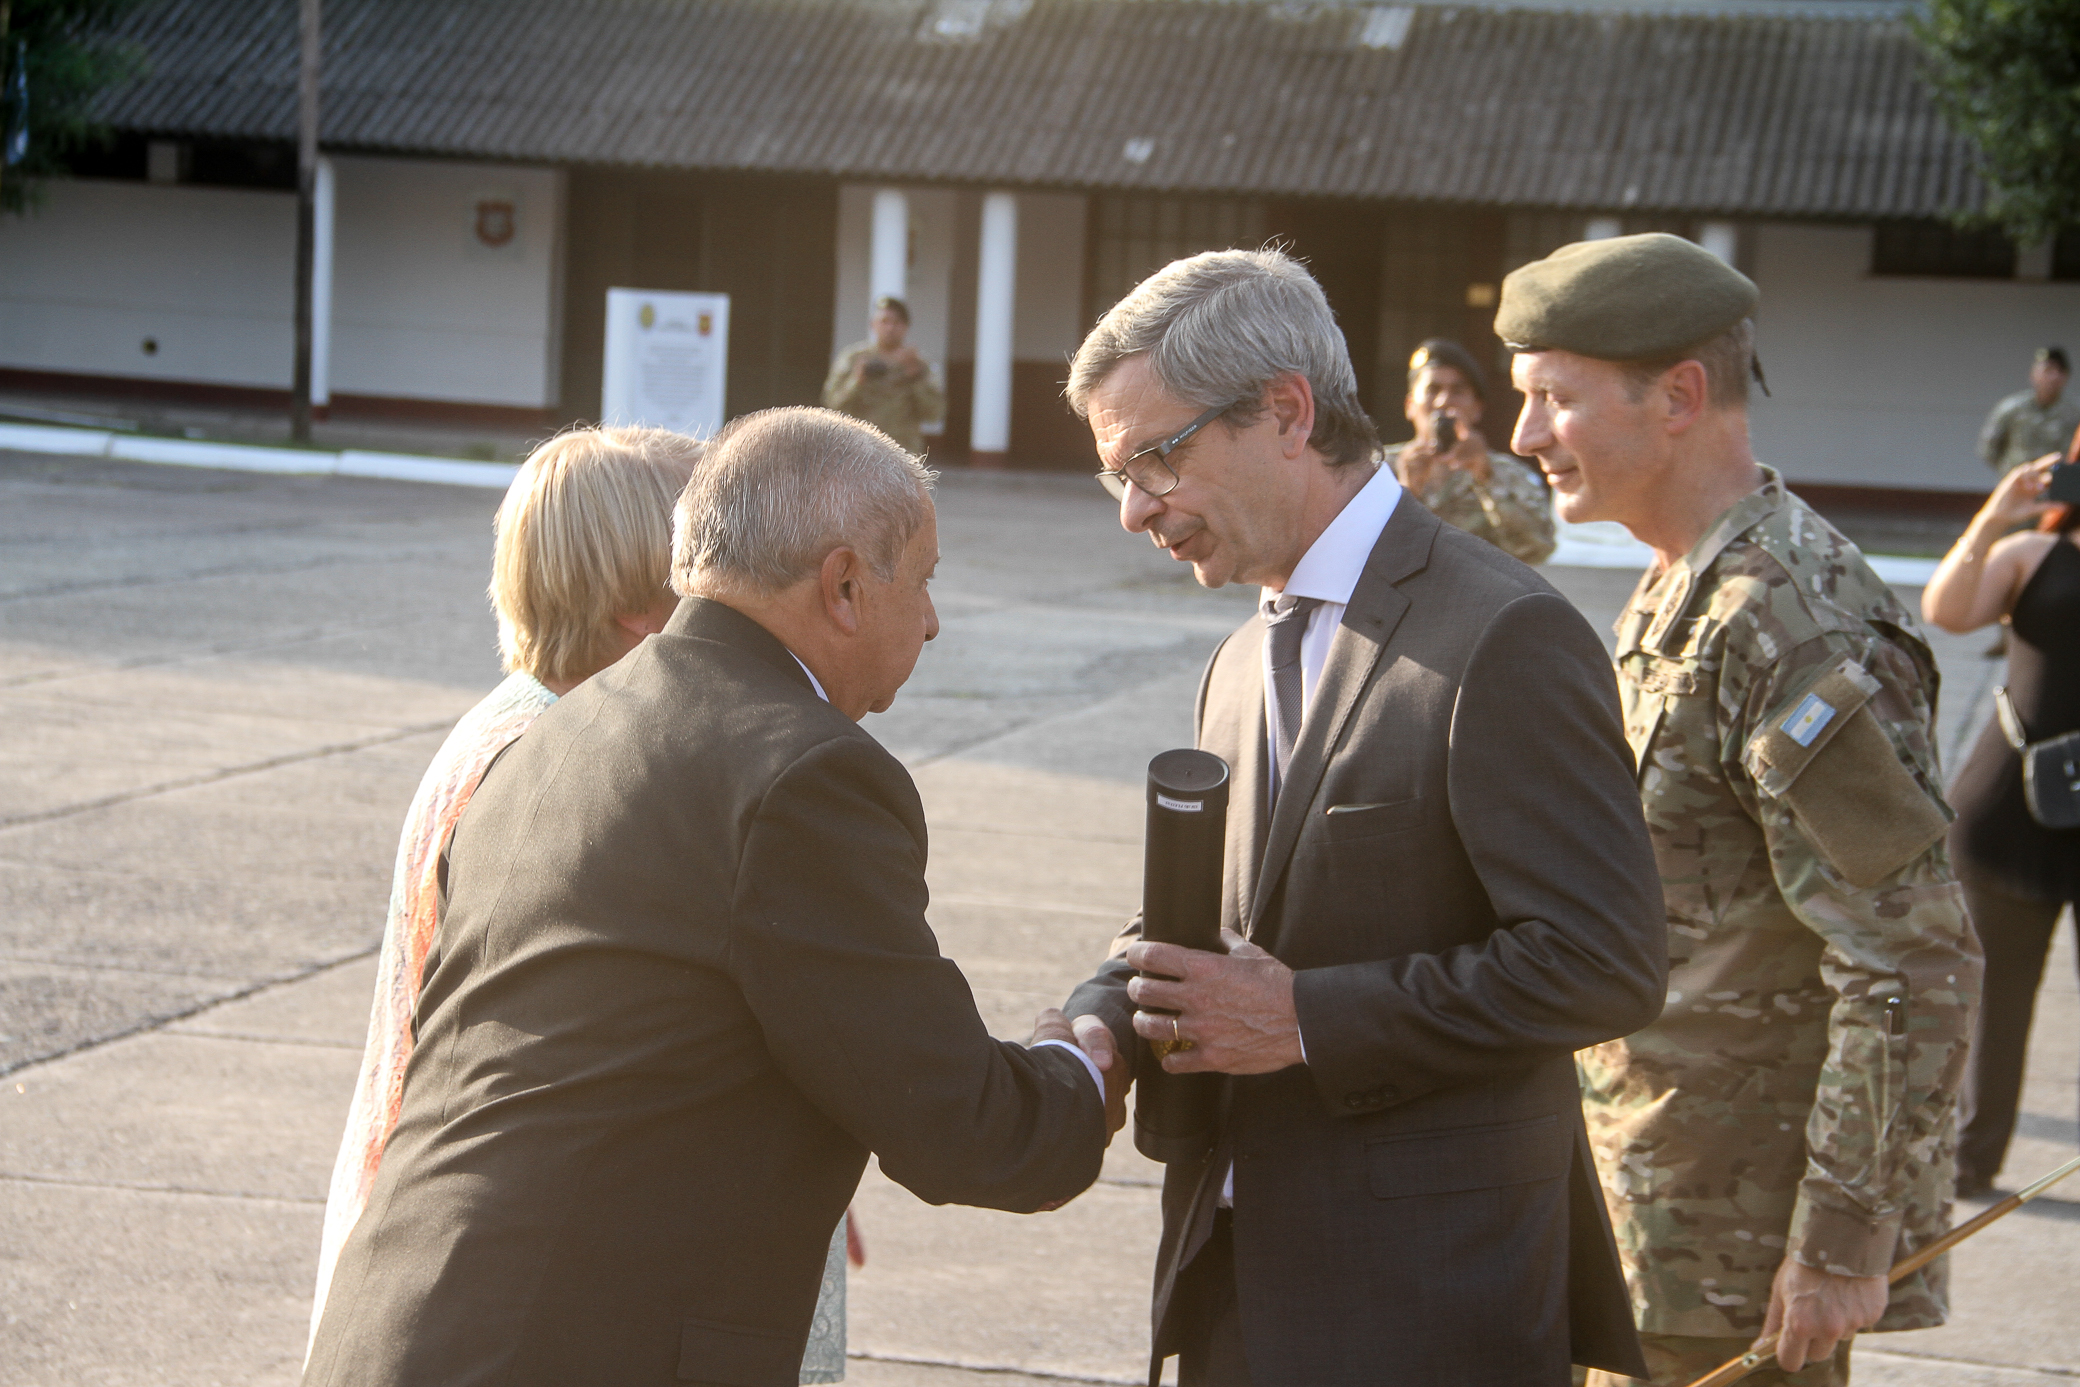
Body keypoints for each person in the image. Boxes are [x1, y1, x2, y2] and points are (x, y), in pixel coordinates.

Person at [303, 408, 1110, 1387]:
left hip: (404, 1327)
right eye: (925, 578)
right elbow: (958, 1125)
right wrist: (1084, 1064)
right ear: (845, 584)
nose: (934, 618)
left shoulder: (560, 730)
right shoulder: (803, 773)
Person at [1060, 248, 1668, 1387]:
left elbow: (1603, 962)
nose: (1136, 509)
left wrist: (1308, 1021)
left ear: (1286, 411)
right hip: (1235, 1275)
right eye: (1116, 477)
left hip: (1427, 1300)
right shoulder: (1245, 654)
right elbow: (1224, 915)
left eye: (1153, 458)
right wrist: (1101, 1017)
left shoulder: (1499, 631)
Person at [1496, 232, 1982, 1387]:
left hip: (1739, 1260)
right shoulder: (1684, 583)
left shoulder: (1789, 623)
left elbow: (1910, 958)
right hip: (1648, 1217)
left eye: (1553, 399)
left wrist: (1840, 1241)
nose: (1524, 438)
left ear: (1678, 396)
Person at [309, 423, 698, 1348]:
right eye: (715, 563)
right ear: (643, 600)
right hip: (484, 1283)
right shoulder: (562, 770)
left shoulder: (530, 723)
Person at [1921, 439, 2080, 1201]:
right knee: (1999, 997)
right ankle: (1971, 1160)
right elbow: (1947, 610)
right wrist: (1996, 511)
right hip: (2012, 802)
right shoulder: (2031, 551)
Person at [1384, 337, 1555, 564]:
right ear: (1409, 406)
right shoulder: (1376, 470)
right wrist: (1404, 493)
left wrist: (1486, 478)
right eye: (1432, 390)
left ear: (1477, 409)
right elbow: (1351, 549)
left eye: (1457, 391)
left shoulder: (1508, 473)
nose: (1444, 401)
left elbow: (1537, 550)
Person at [822, 295, 946, 455]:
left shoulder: (918, 364)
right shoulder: (854, 358)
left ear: (906, 327)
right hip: (859, 451)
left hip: (903, 454)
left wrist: (915, 379)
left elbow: (934, 414)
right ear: (872, 325)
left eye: (896, 323)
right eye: (884, 321)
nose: (890, 328)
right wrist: (855, 381)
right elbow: (832, 404)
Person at [1978, 347, 2080, 479]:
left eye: (2060, 371)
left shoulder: (2075, 412)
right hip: (2019, 486)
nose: (2053, 377)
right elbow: (1988, 449)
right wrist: (2011, 473)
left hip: (2056, 487)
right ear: (2033, 374)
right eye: (2047, 370)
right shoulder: (2012, 408)